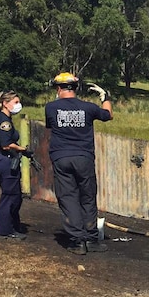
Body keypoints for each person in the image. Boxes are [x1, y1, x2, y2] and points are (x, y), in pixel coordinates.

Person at [44, 72, 113, 255]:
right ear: (75, 88)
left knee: (68, 198)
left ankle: (77, 242)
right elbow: (108, 115)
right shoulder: (89, 108)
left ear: (58, 89)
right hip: (84, 158)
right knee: (88, 197)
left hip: (61, 158)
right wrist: (105, 97)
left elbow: (51, 126)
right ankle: (92, 240)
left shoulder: (51, 108)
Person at [0, 90, 32, 240]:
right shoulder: (4, 122)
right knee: (10, 197)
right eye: (15, 102)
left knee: (15, 196)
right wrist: (23, 149)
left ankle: (13, 226)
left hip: (4, 160)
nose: (18, 105)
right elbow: (7, 144)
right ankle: (5, 230)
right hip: (5, 160)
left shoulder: (2, 119)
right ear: (4, 104)